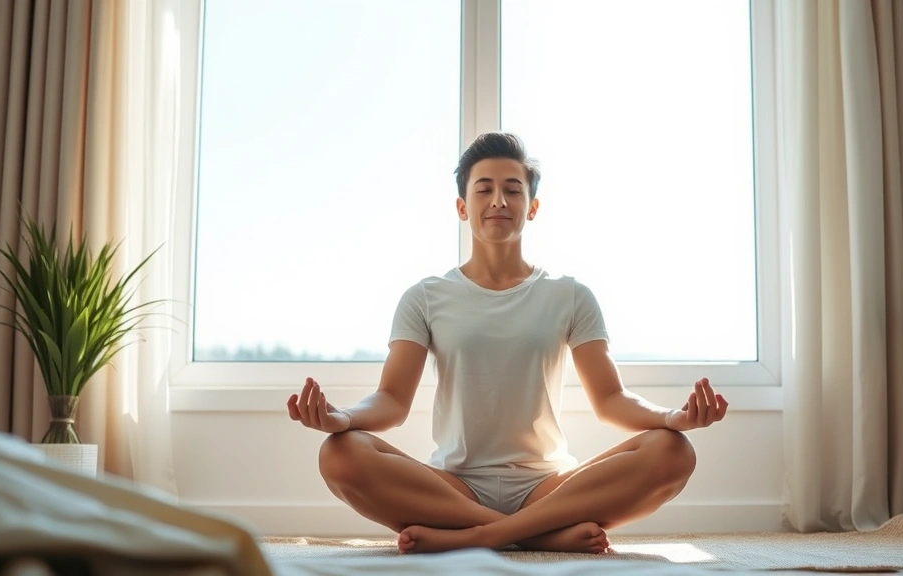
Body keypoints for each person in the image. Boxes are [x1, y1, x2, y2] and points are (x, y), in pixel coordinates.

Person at [286, 132, 729, 555]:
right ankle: (536, 537)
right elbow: (391, 400)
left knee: (672, 451)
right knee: (340, 455)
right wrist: (342, 418)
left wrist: (674, 417)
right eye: (484, 189)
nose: (499, 200)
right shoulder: (425, 297)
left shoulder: (569, 295)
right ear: (462, 206)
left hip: (550, 486)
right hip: (452, 485)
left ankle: (478, 536)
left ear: (532, 207)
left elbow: (611, 399)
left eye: (513, 190)